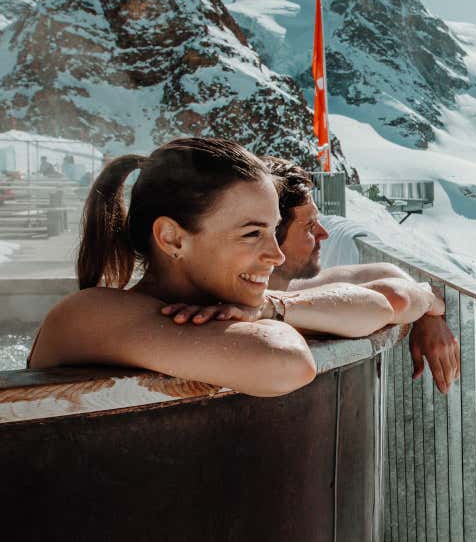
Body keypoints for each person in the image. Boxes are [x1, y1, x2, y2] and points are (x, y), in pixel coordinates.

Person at [27, 137, 444, 397]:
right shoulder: (88, 314)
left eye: (274, 230)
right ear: (173, 238)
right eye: (251, 234)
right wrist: (273, 315)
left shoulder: (231, 307)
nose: (276, 255)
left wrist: (273, 308)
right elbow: (287, 363)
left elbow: (386, 305)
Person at [263, 157, 461, 394]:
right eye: (309, 226)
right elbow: (394, 299)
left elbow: (387, 275)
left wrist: (427, 316)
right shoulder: (239, 311)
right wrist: (427, 302)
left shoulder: (290, 288)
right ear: (269, 236)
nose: (323, 233)